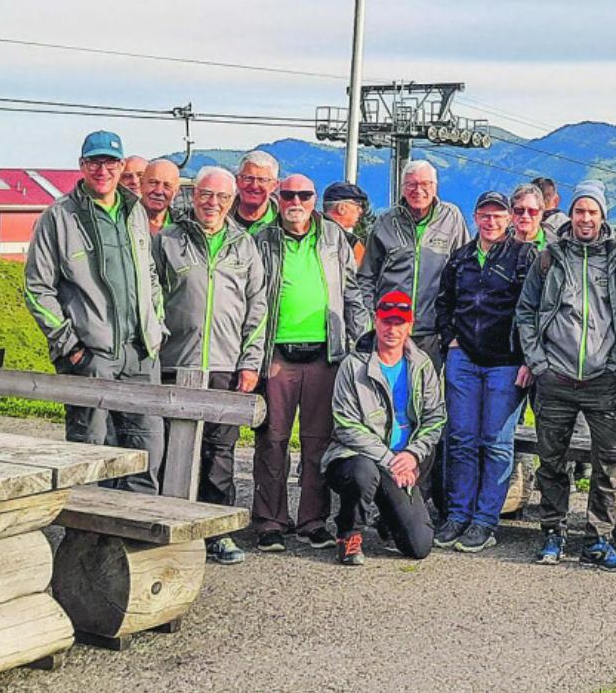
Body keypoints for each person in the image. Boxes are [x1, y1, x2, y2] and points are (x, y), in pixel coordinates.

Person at [23, 130, 164, 493]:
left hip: (141, 354)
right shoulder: (58, 217)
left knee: (146, 449)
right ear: (82, 166)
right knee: (90, 451)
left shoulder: (134, 211)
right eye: (94, 162)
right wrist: (70, 345)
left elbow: (149, 273)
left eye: (111, 162)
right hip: (91, 355)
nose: (103, 169)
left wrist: (156, 327)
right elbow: (38, 287)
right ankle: (86, 542)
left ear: (121, 166)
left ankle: (134, 539)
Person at [515, 180, 616, 570]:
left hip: (604, 379)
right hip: (556, 377)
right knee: (552, 462)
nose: (586, 218)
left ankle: (598, 540)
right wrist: (538, 363)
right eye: (580, 211)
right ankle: (552, 532)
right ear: (571, 214)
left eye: (593, 211)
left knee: (611, 462)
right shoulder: (549, 257)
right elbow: (526, 312)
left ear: (604, 216)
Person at [153, 166, 266, 565]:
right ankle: (169, 527)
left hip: (225, 364)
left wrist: (250, 364)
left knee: (219, 453)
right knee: (170, 449)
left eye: (221, 197)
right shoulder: (168, 240)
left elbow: (257, 309)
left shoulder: (244, 247)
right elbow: (152, 300)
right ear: (193, 195)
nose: (212, 203)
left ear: (232, 201)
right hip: (175, 363)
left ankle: (217, 533)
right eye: (205, 195)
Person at [251, 174, 369, 552]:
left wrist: (361, 340)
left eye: (304, 194)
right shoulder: (262, 240)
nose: (295, 201)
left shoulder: (334, 237)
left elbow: (352, 290)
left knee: (318, 442)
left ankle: (312, 520)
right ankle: (270, 520)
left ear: (315, 198)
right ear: (278, 198)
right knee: (272, 441)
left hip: (325, 353)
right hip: (276, 356)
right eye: (288, 195)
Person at [430, 190, 536, 552]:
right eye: (485, 215)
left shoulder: (523, 256)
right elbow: (443, 303)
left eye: (498, 216)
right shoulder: (460, 258)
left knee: (495, 441)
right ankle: (457, 515)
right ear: (475, 217)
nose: (491, 222)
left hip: (505, 363)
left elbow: (531, 309)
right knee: (460, 438)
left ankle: (485, 521)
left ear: (509, 220)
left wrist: (528, 358)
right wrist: (449, 339)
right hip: (464, 360)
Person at [323, 290, 446, 565]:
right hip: (357, 459)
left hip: (403, 461)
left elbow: (435, 418)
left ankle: (388, 519)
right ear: (375, 322)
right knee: (363, 473)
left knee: (419, 547)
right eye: (386, 321)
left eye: (399, 323)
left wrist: (413, 455)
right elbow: (346, 426)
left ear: (410, 325)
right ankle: (349, 533)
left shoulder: (422, 365)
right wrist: (391, 459)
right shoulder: (353, 366)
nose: (392, 329)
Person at [359, 159, 468, 362]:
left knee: (426, 390)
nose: (418, 190)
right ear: (403, 188)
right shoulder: (385, 222)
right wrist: (372, 317)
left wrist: (453, 324)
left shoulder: (451, 218)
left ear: (435, 187)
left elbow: (464, 271)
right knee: (391, 390)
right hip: (391, 328)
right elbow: (366, 276)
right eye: (411, 184)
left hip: (433, 332)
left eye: (425, 184)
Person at [230, 150, 281, 235]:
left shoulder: (285, 223)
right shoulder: (219, 219)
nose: (254, 186)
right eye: (248, 178)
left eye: (262, 180)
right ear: (237, 181)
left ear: (274, 185)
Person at [322, 179, 372, 265]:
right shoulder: (350, 242)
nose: (360, 211)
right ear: (341, 208)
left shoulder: (306, 232)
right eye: (358, 205)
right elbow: (364, 274)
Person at [140, 158, 181, 237]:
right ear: (141, 183)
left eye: (167, 186)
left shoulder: (184, 228)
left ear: (176, 191)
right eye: (153, 183)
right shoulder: (125, 220)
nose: (158, 191)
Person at [508, 184, 550, 249]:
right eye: (519, 210)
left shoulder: (557, 249)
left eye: (532, 211)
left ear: (541, 213)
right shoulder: (496, 244)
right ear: (511, 212)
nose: (525, 216)